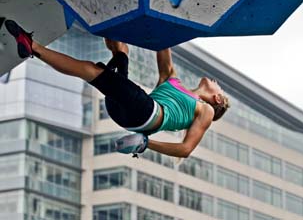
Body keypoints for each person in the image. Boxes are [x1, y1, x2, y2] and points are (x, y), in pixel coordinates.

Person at [4, 19, 230, 158]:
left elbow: (185, 149)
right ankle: (104, 16)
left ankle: (32, 46)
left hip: (146, 113)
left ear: (217, 99)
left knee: (92, 71)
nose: (214, 80)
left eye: (218, 86)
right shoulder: (171, 78)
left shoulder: (205, 110)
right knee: (120, 52)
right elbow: (163, 42)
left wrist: (145, 144)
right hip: (123, 112)